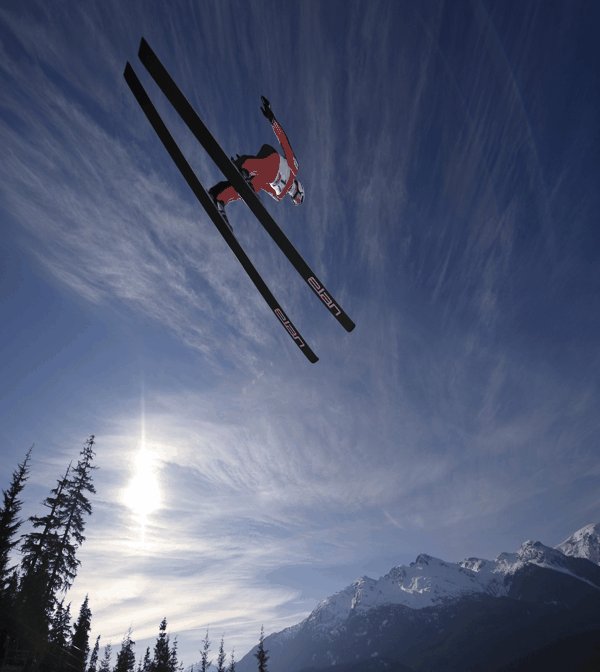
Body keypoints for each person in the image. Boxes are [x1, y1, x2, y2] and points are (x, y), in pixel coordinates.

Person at [208, 96, 305, 233]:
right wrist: (272, 119)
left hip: (263, 175)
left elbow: (264, 185)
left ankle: (219, 198)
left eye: (295, 200)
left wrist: (250, 189)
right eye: (298, 196)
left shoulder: (279, 195)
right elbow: (284, 142)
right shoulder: (294, 168)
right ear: (300, 188)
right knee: (268, 169)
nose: (294, 197)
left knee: (253, 186)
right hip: (270, 158)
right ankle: (245, 168)